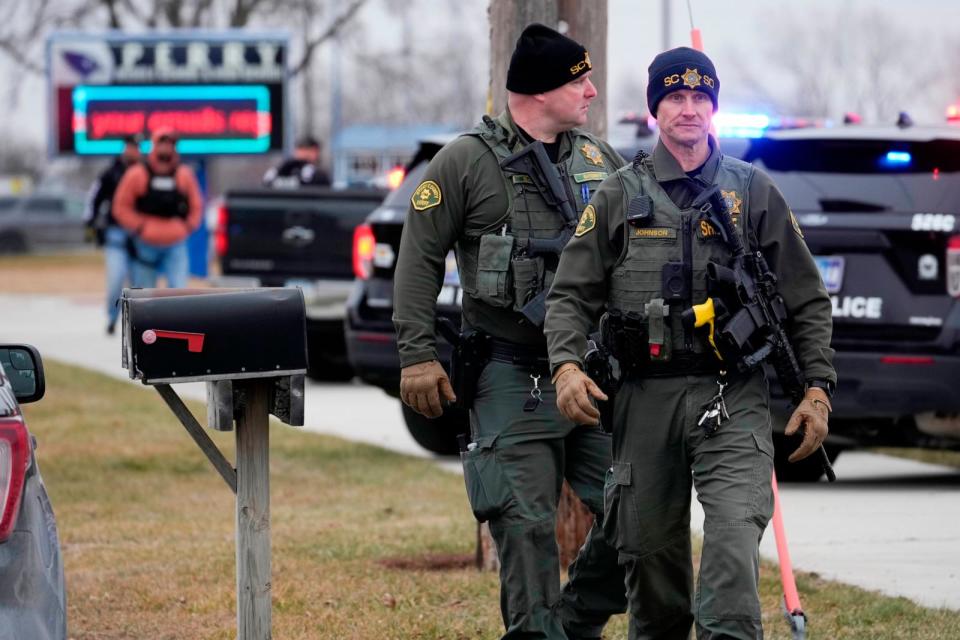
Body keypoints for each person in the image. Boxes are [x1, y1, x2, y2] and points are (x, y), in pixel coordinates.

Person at [544, 47, 836, 639]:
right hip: (643, 399)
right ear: (655, 110)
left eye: (701, 98)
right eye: (675, 97)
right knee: (652, 564)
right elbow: (569, 295)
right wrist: (567, 367)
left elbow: (807, 298)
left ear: (713, 108)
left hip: (733, 398)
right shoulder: (619, 195)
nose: (688, 109)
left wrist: (817, 389)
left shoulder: (751, 191)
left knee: (732, 536)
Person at [393, 23, 627, 640]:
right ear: (538, 91)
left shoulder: (600, 161)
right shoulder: (466, 161)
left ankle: (573, 623)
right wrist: (417, 355)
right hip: (509, 372)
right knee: (523, 527)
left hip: (591, 371)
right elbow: (418, 257)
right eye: (580, 81)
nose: (593, 92)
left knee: (637, 510)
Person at [113, 128, 203, 289]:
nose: (166, 148)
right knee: (145, 293)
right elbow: (121, 207)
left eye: (170, 144)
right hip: (146, 243)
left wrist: (186, 227)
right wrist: (141, 226)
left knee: (178, 291)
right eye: (162, 143)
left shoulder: (184, 174)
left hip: (176, 242)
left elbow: (196, 206)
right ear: (154, 145)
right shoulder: (137, 174)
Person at [83, 134, 142, 334]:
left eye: (136, 147)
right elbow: (94, 198)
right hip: (116, 234)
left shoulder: (146, 173)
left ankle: (137, 324)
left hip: (140, 235)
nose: (132, 150)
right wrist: (91, 224)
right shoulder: (111, 174)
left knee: (139, 285)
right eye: (130, 146)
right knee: (116, 280)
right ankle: (112, 317)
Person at [262, 135, 331, 188]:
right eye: (302, 150)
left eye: (307, 150)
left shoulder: (318, 174)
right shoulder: (280, 170)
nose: (304, 153)